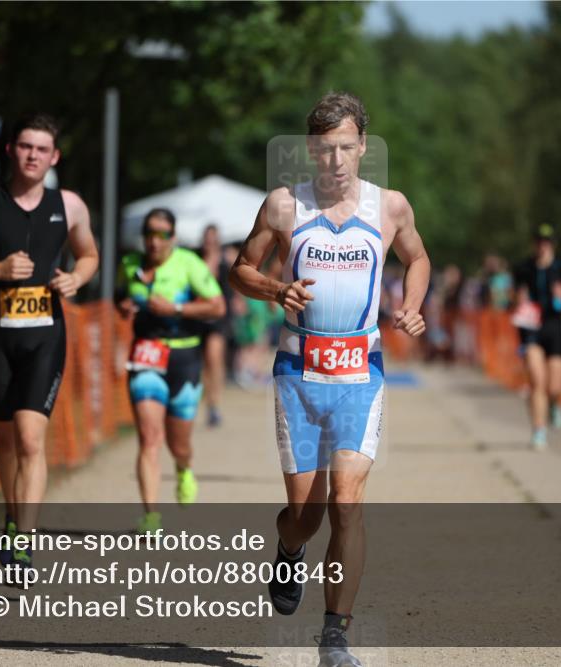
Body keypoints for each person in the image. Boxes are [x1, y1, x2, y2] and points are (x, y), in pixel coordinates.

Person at [229, 91, 429, 667]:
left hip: (360, 372)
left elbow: (418, 259)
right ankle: (288, 547)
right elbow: (241, 269)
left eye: (345, 147)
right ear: (309, 150)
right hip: (298, 372)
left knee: (347, 501)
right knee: (306, 516)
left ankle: (335, 636)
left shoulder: (390, 207)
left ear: (362, 145)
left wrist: (412, 305)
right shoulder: (283, 206)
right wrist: (276, 289)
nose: (335, 161)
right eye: (323, 149)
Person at [0, 113, 99, 572]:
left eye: (42, 149)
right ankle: (13, 516)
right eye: (26, 146)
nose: (33, 156)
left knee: (31, 438)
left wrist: (77, 278)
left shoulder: (70, 205)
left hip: (45, 337)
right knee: (5, 437)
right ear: (11, 149)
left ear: (55, 157)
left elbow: (89, 253)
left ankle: (23, 542)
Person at [116, 208, 226, 534]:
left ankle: (183, 467)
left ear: (173, 237)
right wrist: (124, 306)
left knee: (179, 445)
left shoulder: (189, 264)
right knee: (149, 437)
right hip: (146, 355)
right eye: (149, 233)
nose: (154, 241)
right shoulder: (130, 264)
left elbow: (217, 306)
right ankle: (151, 517)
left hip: (184, 358)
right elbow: (120, 296)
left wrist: (175, 308)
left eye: (162, 234)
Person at [511, 224, 561, 450]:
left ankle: (554, 404)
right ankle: (539, 430)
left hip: (554, 328)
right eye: (539, 241)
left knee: (554, 387)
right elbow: (512, 297)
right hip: (530, 328)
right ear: (534, 243)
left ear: (553, 244)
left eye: (547, 242)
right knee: (537, 381)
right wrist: (518, 299)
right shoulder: (523, 268)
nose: (542, 246)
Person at [198, 224, 232, 427]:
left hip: (218, 318)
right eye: (207, 238)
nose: (210, 242)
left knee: (214, 359)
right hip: (198, 317)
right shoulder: (196, 260)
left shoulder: (225, 261)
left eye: (213, 239)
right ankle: (207, 402)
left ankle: (214, 404)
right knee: (203, 364)